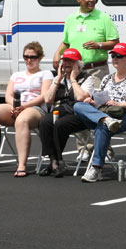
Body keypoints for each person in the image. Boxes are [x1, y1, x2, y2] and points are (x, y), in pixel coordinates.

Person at [51, 0, 119, 161]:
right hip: (77, 69)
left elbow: (115, 42)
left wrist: (99, 45)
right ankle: (83, 147)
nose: (91, 0)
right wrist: (57, 53)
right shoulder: (71, 19)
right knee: (76, 106)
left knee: (96, 107)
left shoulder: (103, 17)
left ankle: (105, 149)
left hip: (97, 68)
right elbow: (66, 41)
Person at [73, 43, 126, 183]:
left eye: (119, 56)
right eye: (113, 56)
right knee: (78, 106)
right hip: (108, 114)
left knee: (102, 126)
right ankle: (106, 119)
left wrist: (120, 104)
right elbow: (101, 100)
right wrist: (92, 101)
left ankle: (96, 167)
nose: (115, 59)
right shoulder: (107, 78)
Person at [0, 42, 53, 177]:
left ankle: (21, 165)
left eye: (33, 57)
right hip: (16, 106)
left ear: (40, 58)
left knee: (22, 120)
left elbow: (44, 96)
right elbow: (8, 94)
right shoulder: (16, 75)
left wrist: (24, 107)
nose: (29, 60)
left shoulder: (45, 74)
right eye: (26, 57)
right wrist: (15, 107)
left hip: (35, 108)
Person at [37, 48, 93, 178]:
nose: (67, 63)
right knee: (45, 122)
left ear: (78, 64)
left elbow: (80, 98)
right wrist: (58, 79)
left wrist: (73, 79)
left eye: (71, 61)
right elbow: (48, 99)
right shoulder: (59, 78)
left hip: (79, 114)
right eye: (65, 60)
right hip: (62, 110)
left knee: (60, 124)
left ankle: (55, 162)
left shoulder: (87, 78)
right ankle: (54, 162)